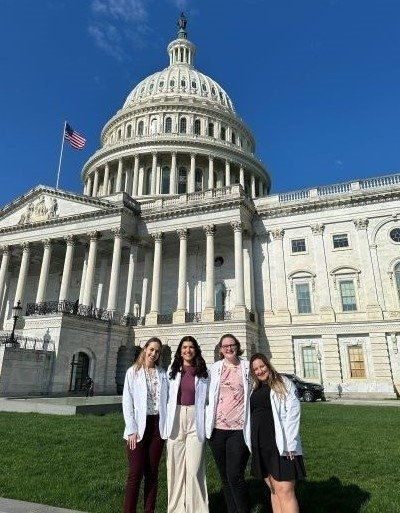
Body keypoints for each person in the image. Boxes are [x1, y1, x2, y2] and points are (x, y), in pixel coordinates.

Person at [249, 353, 306, 513]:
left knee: (285, 492)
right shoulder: (255, 388)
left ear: (268, 365)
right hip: (261, 445)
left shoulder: (283, 382)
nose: (259, 371)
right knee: (274, 490)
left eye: (262, 366)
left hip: (281, 445)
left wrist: (290, 444)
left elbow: (293, 413)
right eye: (255, 369)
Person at [205, 333, 251, 513]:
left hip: (238, 429)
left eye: (232, 345)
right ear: (220, 349)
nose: (229, 348)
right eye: (225, 346)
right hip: (217, 429)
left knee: (235, 476)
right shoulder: (214, 368)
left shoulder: (247, 367)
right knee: (225, 477)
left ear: (237, 346)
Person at [122, 337, 168, 513]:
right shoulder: (132, 372)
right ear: (145, 349)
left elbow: (167, 401)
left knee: (152, 473)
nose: (153, 354)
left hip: (157, 426)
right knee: (135, 473)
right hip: (138, 428)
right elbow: (127, 403)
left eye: (157, 351)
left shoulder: (162, 373)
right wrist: (132, 429)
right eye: (151, 350)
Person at [165, 336, 209, 513]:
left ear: (196, 350)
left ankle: (197, 509)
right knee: (174, 467)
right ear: (180, 350)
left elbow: (210, 398)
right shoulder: (172, 369)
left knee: (194, 469)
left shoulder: (204, 371)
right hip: (175, 417)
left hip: (195, 418)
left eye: (191, 347)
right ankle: (175, 509)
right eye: (184, 347)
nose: (188, 350)